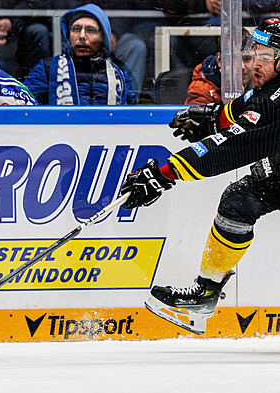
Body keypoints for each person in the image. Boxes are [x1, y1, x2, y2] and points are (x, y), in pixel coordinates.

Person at [120, 18, 280, 335]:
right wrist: (212, 118)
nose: (255, 61)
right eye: (254, 50)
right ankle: (205, 294)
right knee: (240, 200)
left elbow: (233, 145)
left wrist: (165, 173)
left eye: (264, 54)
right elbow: (241, 111)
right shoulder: (269, 90)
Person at [23, 3, 135, 105]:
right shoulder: (48, 68)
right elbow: (22, 107)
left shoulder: (119, 75)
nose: (82, 36)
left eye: (90, 30)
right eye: (76, 29)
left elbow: (132, 118)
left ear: (103, 38)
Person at [185, 31, 254, 105]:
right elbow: (196, 115)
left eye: (247, 59)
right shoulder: (201, 89)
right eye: (234, 60)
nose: (242, 67)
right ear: (220, 60)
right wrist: (235, 101)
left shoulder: (259, 81)